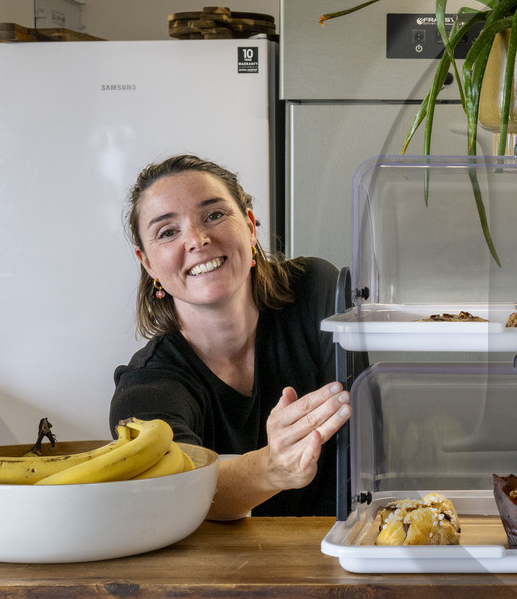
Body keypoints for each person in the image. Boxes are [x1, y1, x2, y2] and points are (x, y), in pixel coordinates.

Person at [110, 154, 350, 518]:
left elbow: (363, 445)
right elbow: (175, 493)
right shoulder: (145, 389)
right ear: (148, 263)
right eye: (168, 232)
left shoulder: (317, 291)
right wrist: (274, 467)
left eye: (214, 215)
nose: (197, 239)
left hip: (347, 542)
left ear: (250, 227)